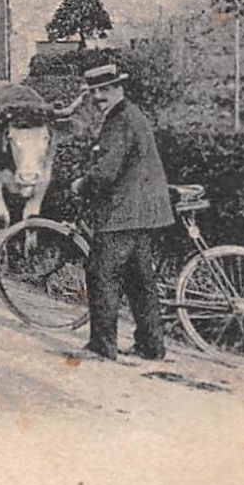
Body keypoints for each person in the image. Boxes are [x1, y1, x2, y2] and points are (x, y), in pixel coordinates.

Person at [73, 64, 174, 362]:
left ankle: (102, 347)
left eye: (105, 89)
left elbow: (106, 171)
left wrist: (82, 184)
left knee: (101, 274)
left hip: (123, 212)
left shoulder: (120, 121)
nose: (99, 96)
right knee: (140, 279)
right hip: (144, 211)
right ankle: (151, 345)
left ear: (119, 88)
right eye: (94, 91)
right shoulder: (132, 115)